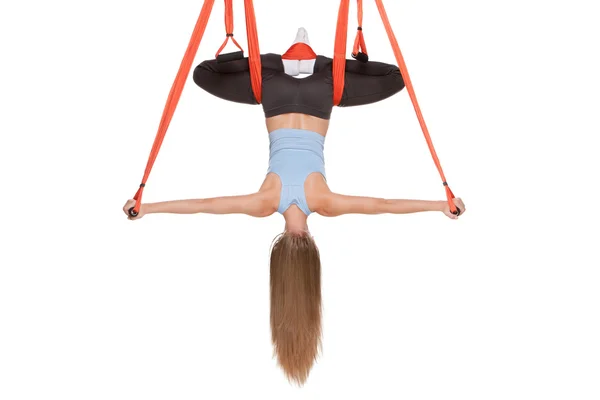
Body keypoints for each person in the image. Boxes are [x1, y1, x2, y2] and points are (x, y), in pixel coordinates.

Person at [122, 28, 466, 385]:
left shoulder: (325, 203)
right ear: (277, 257)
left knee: (396, 79)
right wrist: (147, 208)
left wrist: (440, 205)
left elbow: (384, 205)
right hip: (273, 88)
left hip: (322, 89)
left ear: (314, 253)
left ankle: (311, 63)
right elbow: (204, 204)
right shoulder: (264, 202)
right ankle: (286, 63)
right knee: (204, 74)